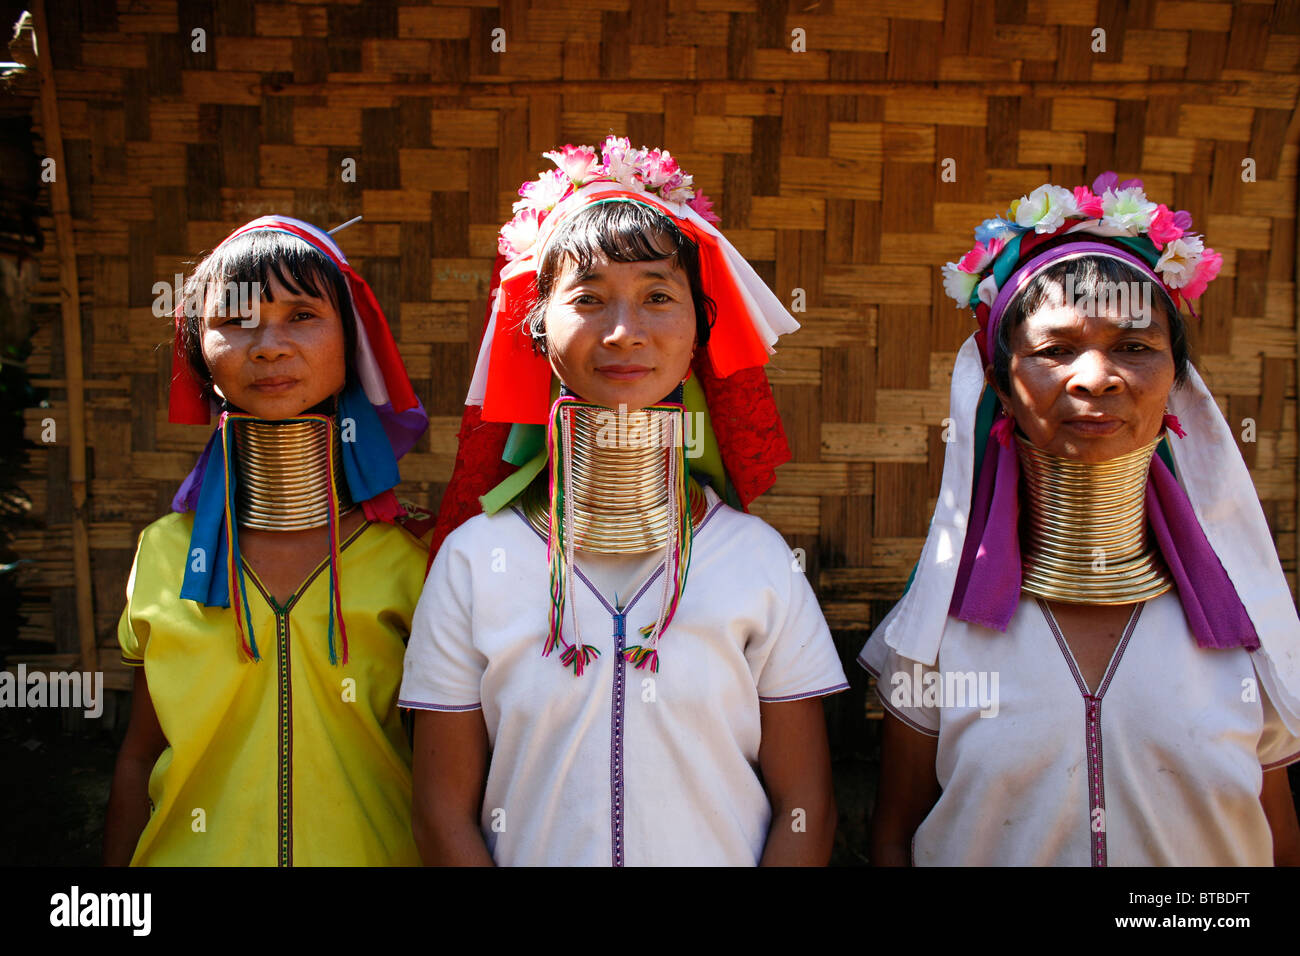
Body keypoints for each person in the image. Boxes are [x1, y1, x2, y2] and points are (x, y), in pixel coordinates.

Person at [399, 139, 848, 866]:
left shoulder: (757, 560)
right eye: (587, 298)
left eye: (658, 297)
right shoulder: (474, 563)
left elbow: (807, 808)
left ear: (700, 328)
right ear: (536, 328)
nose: (623, 332)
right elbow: (441, 815)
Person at [862, 172, 1300, 866]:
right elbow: (894, 839)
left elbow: (1278, 845)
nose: (1095, 377)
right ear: (1002, 385)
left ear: (1176, 382)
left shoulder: (1251, 637)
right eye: (1055, 349)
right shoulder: (935, 640)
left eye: (1134, 346)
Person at [103, 216, 432, 866]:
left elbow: (448, 774)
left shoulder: (412, 558)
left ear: (352, 344)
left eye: (302, 315)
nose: (269, 346)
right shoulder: (164, 553)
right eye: (236, 319)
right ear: (198, 351)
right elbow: (140, 754)